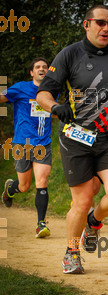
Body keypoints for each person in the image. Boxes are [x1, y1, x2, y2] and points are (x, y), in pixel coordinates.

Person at [36, 4, 108, 274]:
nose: (106, 28)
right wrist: (54, 107)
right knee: (83, 199)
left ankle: (93, 223)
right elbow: (43, 93)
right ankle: (71, 253)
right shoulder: (69, 54)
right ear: (87, 24)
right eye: (100, 23)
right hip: (77, 137)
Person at [1, 57, 55, 238]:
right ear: (32, 72)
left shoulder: (52, 90)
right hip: (22, 143)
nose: (42, 69)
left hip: (43, 143)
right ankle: (9, 190)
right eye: (37, 67)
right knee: (24, 186)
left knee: (42, 181)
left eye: (45, 67)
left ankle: (41, 224)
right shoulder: (21, 88)